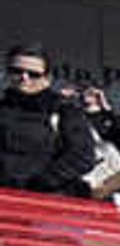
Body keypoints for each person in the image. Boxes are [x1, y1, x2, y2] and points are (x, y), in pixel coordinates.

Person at [0, 43, 101, 194]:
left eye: (33, 74)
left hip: (46, 201)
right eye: (16, 71)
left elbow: (83, 157)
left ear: (47, 79)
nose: (24, 77)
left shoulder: (63, 110)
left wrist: (41, 182)